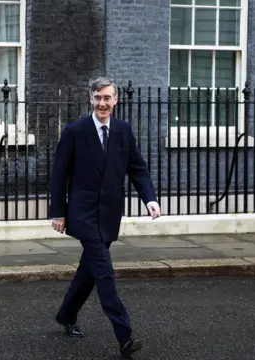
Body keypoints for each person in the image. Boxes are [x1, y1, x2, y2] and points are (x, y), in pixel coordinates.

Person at [49, 77, 161, 359]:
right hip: (82, 213)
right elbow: (59, 175)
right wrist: (58, 213)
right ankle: (125, 337)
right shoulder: (75, 131)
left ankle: (66, 315)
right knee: (104, 273)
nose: (102, 103)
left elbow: (137, 168)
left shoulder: (123, 130)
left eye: (107, 98)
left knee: (88, 271)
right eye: (98, 98)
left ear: (115, 100)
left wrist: (150, 199)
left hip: (110, 214)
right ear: (91, 99)